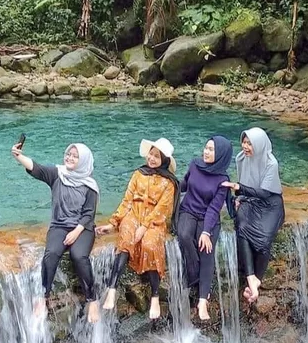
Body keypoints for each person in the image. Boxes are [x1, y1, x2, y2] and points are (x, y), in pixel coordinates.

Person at [11, 141, 101, 323]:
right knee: (51, 254)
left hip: (83, 227)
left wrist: (76, 232)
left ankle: (92, 300)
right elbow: (37, 169)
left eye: (75, 156)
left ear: (83, 161)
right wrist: (18, 156)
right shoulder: (57, 174)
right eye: (68, 154)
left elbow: (89, 214)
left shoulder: (90, 185)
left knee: (78, 255)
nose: (70, 158)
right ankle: (43, 295)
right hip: (59, 225)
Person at [97, 138, 179, 320]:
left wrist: (144, 226)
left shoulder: (169, 183)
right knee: (126, 238)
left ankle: (155, 295)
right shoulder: (138, 174)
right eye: (151, 153)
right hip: (133, 214)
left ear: (164, 160)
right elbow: (127, 200)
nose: (151, 158)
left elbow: (163, 210)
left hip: (153, 221)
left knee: (150, 244)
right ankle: (112, 287)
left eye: (156, 156)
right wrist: (113, 223)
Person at [221, 127, 285, 304]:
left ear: (260, 145)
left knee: (264, 239)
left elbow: (265, 192)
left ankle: (257, 278)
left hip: (270, 204)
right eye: (244, 142)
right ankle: (251, 278)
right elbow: (243, 183)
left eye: (250, 143)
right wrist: (239, 197)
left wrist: (239, 189)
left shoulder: (271, 163)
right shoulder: (241, 158)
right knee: (241, 226)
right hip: (250, 200)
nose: (245, 146)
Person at [177, 136, 233, 320]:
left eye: (211, 150)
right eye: (206, 148)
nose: (206, 152)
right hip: (188, 210)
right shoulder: (195, 165)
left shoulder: (223, 179)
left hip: (208, 218)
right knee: (184, 235)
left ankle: (202, 300)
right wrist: (167, 184)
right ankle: (195, 277)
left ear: (221, 155)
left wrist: (206, 232)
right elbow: (184, 185)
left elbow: (214, 208)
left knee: (206, 250)